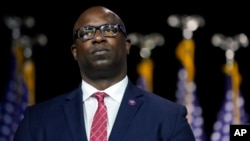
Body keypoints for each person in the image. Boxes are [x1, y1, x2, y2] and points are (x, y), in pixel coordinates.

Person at [13, 6, 195, 141]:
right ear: (75, 51)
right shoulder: (36, 121)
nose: (98, 38)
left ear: (127, 45)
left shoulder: (168, 117)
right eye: (86, 33)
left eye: (109, 30)